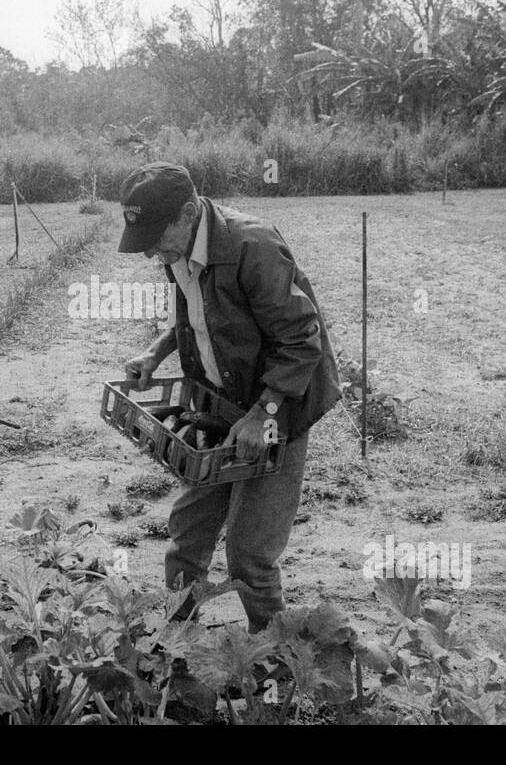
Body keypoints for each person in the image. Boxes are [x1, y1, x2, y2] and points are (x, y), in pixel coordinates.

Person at [118, 161, 342, 632]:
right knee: (188, 532)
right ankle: (177, 640)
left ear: (188, 212)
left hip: (278, 405)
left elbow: (302, 339)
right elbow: (197, 312)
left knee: (250, 554)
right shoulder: (179, 251)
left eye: (158, 237)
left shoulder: (251, 246)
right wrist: (157, 352)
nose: (152, 253)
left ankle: (278, 658)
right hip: (218, 405)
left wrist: (264, 413)